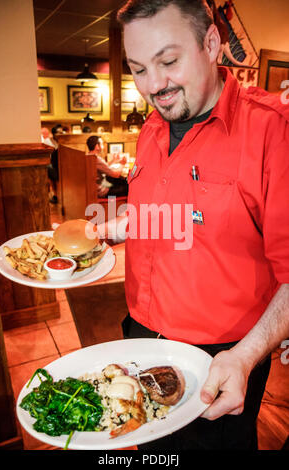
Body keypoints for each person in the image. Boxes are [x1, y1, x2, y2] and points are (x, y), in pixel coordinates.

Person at [100, 0, 289, 450]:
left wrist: (244, 358)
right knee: (150, 449)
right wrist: (130, 221)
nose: (154, 85)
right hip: (141, 333)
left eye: (168, 61)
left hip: (221, 356)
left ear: (211, 43)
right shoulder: (151, 127)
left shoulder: (273, 131)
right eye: (139, 68)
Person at [47, 125, 63, 203]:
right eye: (59, 133)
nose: (61, 134)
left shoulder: (64, 142)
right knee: (49, 168)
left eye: (62, 132)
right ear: (54, 134)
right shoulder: (48, 142)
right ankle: (56, 194)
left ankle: (56, 195)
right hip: (55, 165)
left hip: (64, 165)